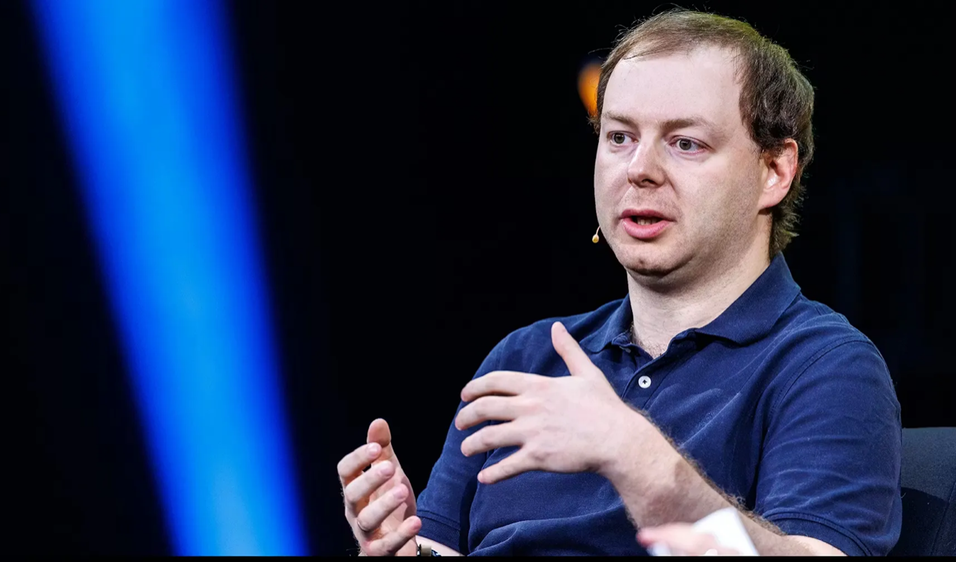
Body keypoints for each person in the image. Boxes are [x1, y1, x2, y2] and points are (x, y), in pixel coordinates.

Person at [336, 8, 902, 556]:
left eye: (686, 143)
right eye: (620, 137)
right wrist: (398, 550)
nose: (639, 169)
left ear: (774, 171)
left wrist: (634, 455)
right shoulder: (527, 357)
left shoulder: (826, 366)